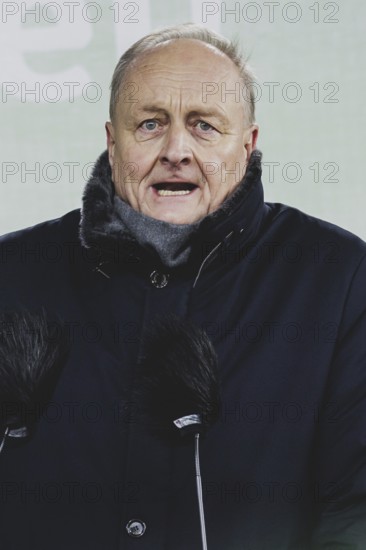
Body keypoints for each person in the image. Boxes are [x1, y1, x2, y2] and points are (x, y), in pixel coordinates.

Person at [1, 22, 366, 550]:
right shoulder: (14, 272)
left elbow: (355, 509)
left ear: (247, 145)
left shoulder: (338, 279)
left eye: (204, 126)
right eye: (149, 124)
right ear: (111, 141)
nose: (176, 148)